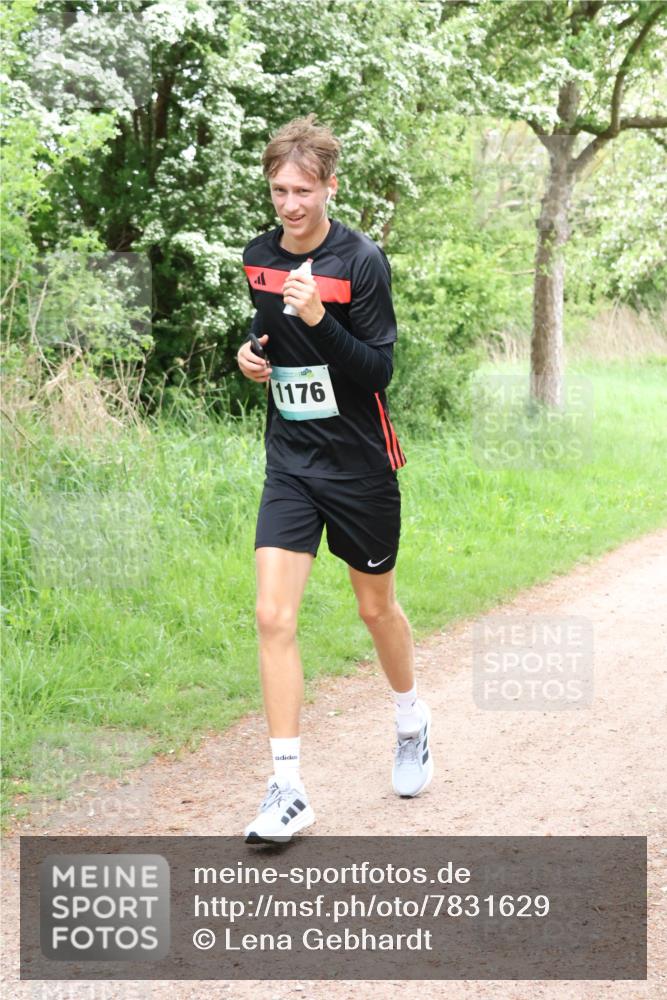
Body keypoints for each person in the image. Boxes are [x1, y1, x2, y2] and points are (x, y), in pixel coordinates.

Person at [236, 114, 432, 844]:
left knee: (374, 610)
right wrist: (248, 358)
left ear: (328, 187)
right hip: (290, 458)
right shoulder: (257, 255)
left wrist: (320, 317)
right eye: (278, 190)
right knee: (271, 616)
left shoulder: (360, 261)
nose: (289, 205)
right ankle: (286, 786)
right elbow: (266, 336)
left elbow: (379, 371)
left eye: (302, 191)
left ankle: (410, 718)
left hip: (358, 463)